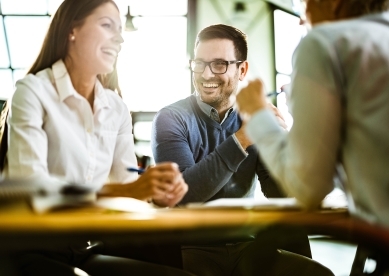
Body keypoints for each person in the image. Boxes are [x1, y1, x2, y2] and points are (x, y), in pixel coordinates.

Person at [4, 0, 192, 275]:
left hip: (84, 249)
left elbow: (125, 186)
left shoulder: (115, 108)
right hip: (29, 249)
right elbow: (32, 190)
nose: (118, 38)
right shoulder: (33, 92)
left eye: (120, 31)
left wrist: (155, 194)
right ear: (72, 30)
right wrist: (128, 191)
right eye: (107, 26)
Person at [152, 24, 334, 276]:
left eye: (219, 64)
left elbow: (282, 195)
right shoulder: (171, 118)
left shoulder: (255, 118)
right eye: (200, 63)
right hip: (190, 250)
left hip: (249, 246)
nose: (206, 74)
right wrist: (243, 138)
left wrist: (285, 138)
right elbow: (184, 196)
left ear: (242, 69)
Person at [236, 0, 389, 228]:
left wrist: (258, 114)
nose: (301, 19)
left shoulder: (324, 42)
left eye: (302, 6)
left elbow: (307, 187)